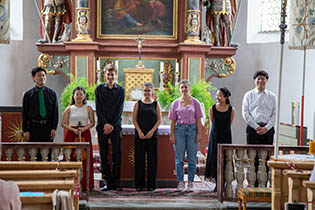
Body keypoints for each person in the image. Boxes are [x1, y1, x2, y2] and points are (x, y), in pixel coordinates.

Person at [168, 80, 203, 192]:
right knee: (179, 159)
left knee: (192, 159)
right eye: (182, 87)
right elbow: (172, 121)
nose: (184, 89)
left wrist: (199, 134)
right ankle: (180, 182)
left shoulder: (196, 102)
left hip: (192, 130)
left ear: (189, 88)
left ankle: (191, 182)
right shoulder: (175, 103)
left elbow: (198, 120)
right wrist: (172, 135)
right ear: (179, 89)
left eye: (186, 87)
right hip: (179, 131)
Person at [95, 63, 125, 191]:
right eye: (108, 74)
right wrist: (105, 123)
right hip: (102, 126)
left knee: (116, 154)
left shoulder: (121, 90)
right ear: (104, 75)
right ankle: (107, 181)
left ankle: (116, 182)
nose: (110, 77)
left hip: (116, 126)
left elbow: (120, 109)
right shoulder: (99, 89)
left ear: (116, 75)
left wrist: (112, 124)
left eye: (112, 75)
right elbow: (98, 108)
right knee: (103, 155)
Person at [61, 87, 95, 191]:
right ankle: (69, 182)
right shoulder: (69, 108)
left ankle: (85, 184)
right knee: (70, 157)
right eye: (77, 94)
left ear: (84, 96)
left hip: (84, 134)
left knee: (85, 158)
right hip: (72, 134)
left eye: (81, 94)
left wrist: (84, 128)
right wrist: (72, 129)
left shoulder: (88, 108)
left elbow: (92, 122)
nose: (79, 97)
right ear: (73, 96)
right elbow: (63, 123)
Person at [22, 67, 58, 160]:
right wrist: (25, 130)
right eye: (39, 76)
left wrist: (54, 128)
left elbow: (55, 112)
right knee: (34, 155)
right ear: (33, 78)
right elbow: (24, 114)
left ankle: (47, 173)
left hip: (48, 127)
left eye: (43, 75)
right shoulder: (28, 95)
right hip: (34, 127)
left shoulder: (52, 93)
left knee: (47, 155)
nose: (42, 78)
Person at [132, 82, 162, 192]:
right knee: (139, 160)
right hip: (140, 135)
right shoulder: (138, 104)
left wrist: (151, 131)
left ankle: (151, 185)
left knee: (152, 161)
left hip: (152, 136)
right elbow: (134, 119)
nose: (147, 92)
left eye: (149, 90)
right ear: (142, 91)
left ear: (152, 91)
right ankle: (139, 184)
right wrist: (139, 132)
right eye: (145, 90)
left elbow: (159, 120)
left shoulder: (156, 104)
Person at [205, 87, 234, 192]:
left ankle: (225, 183)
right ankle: (217, 183)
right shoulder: (212, 108)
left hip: (226, 136)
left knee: (226, 159)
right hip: (215, 136)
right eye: (216, 95)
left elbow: (229, 123)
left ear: (225, 97)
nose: (217, 97)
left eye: (220, 95)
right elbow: (213, 123)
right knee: (215, 159)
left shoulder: (231, 109)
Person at [242, 70, 276, 145]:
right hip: (252, 129)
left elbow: (275, 114)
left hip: (268, 129)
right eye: (258, 79)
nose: (260, 81)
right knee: (252, 154)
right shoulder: (248, 95)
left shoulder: (272, 96)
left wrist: (266, 128)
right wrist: (256, 127)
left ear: (266, 80)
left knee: (267, 155)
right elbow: (245, 113)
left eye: (263, 79)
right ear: (254, 81)